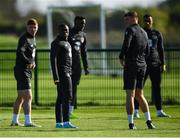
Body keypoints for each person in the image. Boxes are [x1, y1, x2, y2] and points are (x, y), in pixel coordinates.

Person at [119, 11, 155, 129]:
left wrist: (121, 56)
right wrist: (142, 61)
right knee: (140, 94)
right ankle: (149, 121)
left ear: (134, 19)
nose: (125, 22)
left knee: (130, 94)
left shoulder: (130, 30)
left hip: (131, 65)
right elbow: (148, 51)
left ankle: (131, 123)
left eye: (127, 20)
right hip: (142, 65)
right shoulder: (144, 32)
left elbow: (126, 44)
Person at [134, 14, 170, 118]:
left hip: (155, 65)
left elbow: (161, 49)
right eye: (145, 21)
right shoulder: (140, 33)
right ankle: (136, 111)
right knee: (138, 89)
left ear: (152, 21)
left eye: (149, 20)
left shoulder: (157, 33)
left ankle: (159, 111)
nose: (147, 22)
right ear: (143, 21)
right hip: (142, 65)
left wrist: (163, 63)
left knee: (157, 88)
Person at [11, 18, 41, 127]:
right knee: (28, 96)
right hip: (21, 70)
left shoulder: (33, 38)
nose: (33, 29)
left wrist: (33, 62)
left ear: (37, 27)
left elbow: (30, 54)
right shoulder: (24, 38)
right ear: (27, 27)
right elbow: (20, 52)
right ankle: (28, 122)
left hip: (26, 70)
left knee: (21, 97)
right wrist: (29, 61)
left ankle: (14, 121)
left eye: (35, 27)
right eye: (30, 27)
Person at [50, 23, 77, 128]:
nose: (66, 32)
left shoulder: (67, 43)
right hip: (62, 73)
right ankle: (66, 122)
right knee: (67, 96)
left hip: (68, 73)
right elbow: (53, 60)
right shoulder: (56, 43)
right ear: (59, 31)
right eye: (64, 30)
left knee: (61, 97)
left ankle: (59, 123)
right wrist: (55, 77)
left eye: (67, 30)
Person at [68, 16, 89, 118]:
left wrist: (86, 67)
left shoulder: (83, 35)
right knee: (67, 88)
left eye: (84, 23)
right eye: (81, 23)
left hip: (77, 66)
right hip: (67, 65)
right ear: (75, 23)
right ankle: (64, 109)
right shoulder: (68, 33)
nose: (83, 25)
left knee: (74, 88)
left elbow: (84, 52)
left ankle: (70, 111)